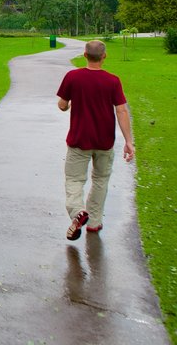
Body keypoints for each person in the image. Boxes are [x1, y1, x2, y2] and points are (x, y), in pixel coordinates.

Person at [56, 40, 135, 241]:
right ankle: (93, 222)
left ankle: (77, 213)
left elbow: (62, 104)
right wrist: (129, 141)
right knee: (100, 180)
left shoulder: (73, 77)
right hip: (104, 140)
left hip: (79, 140)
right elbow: (121, 110)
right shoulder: (113, 81)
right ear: (104, 56)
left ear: (84, 55)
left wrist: (66, 106)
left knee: (74, 180)